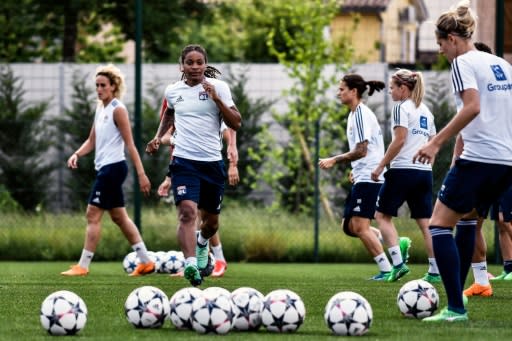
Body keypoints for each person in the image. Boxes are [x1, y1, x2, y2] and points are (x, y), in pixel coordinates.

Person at [414, 1, 512, 322]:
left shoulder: (462, 63)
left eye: (441, 44)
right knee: (468, 220)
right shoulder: (500, 64)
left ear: (452, 39)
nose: (441, 51)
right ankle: (471, 291)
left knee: (439, 225)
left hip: (481, 158)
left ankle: (455, 308)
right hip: (505, 162)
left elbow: (471, 108)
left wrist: (435, 142)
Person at [145, 44, 241, 286]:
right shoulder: (173, 91)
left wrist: (217, 99)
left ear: (205, 65)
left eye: (200, 62)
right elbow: (169, 113)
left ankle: (201, 243)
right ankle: (190, 264)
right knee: (187, 213)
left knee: (211, 223)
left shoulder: (219, 87)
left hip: (212, 164)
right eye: (190, 62)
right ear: (182, 66)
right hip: (184, 162)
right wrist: (158, 137)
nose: (195, 66)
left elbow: (236, 122)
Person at [61, 64, 154, 277]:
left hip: (113, 168)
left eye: (103, 85)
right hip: (106, 168)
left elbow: (130, 144)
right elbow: (91, 140)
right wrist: (76, 154)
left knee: (92, 214)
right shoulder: (100, 109)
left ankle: (82, 266)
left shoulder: (117, 109)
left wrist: (141, 174)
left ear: (113, 87)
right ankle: (146, 262)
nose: (99, 89)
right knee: (120, 218)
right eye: (97, 85)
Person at [319, 73, 405, 281]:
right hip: (364, 174)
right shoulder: (354, 114)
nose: (338, 93)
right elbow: (364, 151)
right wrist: (355, 168)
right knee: (348, 226)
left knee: (359, 226)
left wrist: (334, 160)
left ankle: (389, 269)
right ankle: (392, 241)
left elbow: (362, 150)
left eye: (341, 89)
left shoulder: (359, 113)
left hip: (370, 177)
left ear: (353, 91)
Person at [371, 69, 439, 283]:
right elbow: (434, 143)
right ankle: (435, 272)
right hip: (423, 173)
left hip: (402, 170)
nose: (390, 92)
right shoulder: (427, 111)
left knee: (381, 216)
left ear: (403, 88)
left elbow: (399, 140)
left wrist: (381, 166)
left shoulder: (401, 108)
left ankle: (398, 265)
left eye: (392, 88)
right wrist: (428, 166)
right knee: (425, 223)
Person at [156, 122, 239, 278]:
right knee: (189, 213)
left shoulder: (210, 108)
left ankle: (217, 259)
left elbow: (229, 135)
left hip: (210, 168)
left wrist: (233, 165)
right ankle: (193, 263)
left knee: (209, 219)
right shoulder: (180, 108)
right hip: (186, 168)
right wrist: (169, 178)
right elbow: (166, 139)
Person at [463, 188, 512, 297]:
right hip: (482, 179)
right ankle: (483, 282)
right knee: (474, 223)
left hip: (502, 176)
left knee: (506, 220)